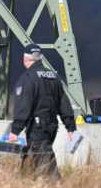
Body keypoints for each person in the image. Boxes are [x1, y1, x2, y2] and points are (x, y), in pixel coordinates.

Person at [8, 44, 77, 179]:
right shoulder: (53, 76)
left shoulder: (27, 78)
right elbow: (63, 102)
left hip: (37, 127)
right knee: (32, 159)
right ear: (40, 58)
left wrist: (15, 130)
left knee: (46, 164)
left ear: (25, 59)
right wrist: (70, 125)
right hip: (52, 126)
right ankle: (26, 186)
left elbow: (23, 106)